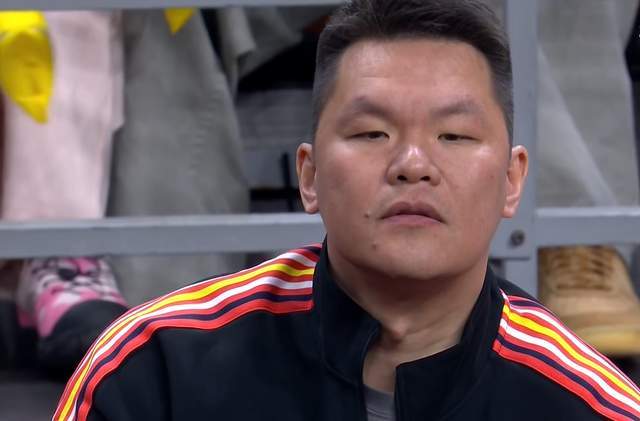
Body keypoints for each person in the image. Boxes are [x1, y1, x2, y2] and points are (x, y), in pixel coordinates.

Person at [54, 1, 640, 420]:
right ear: (309, 176)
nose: (413, 164)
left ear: (513, 181)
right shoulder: (150, 372)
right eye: (371, 133)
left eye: (454, 136)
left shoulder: (591, 404)